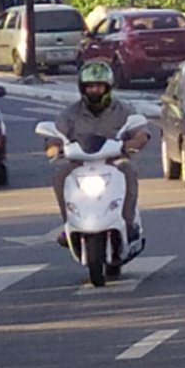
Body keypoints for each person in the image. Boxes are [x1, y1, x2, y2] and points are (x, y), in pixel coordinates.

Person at [47, 59, 150, 254]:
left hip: (114, 162)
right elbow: (55, 135)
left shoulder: (123, 110)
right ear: (82, 89)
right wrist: (53, 146)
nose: (94, 90)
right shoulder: (71, 113)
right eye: (90, 86)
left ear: (108, 87)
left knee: (129, 171)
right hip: (80, 164)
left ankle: (127, 224)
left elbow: (140, 131)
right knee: (60, 177)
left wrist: (135, 142)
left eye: (99, 86)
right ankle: (69, 224)